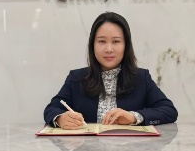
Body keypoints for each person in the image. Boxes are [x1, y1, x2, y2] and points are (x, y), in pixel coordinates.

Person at [44, 12, 177, 129]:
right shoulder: (76, 78)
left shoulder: (141, 77)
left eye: (116, 42)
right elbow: (52, 109)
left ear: (126, 45)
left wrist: (133, 117)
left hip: (130, 148)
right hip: (86, 148)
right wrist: (60, 118)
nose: (108, 49)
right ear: (93, 45)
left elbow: (169, 110)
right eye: (102, 41)